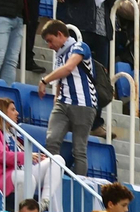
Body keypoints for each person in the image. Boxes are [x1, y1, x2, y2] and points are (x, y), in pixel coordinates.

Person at [38, 20, 98, 173]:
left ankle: (78, 185)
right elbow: (59, 81)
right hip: (62, 103)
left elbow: (68, 68)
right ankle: (52, 177)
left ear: (60, 34)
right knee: (52, 140)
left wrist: (45, 80)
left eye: (50, 41)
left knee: (79, 150)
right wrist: (56, 97)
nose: (49, 46)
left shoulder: (79, 46)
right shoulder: (58, 56)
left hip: (84, 103)